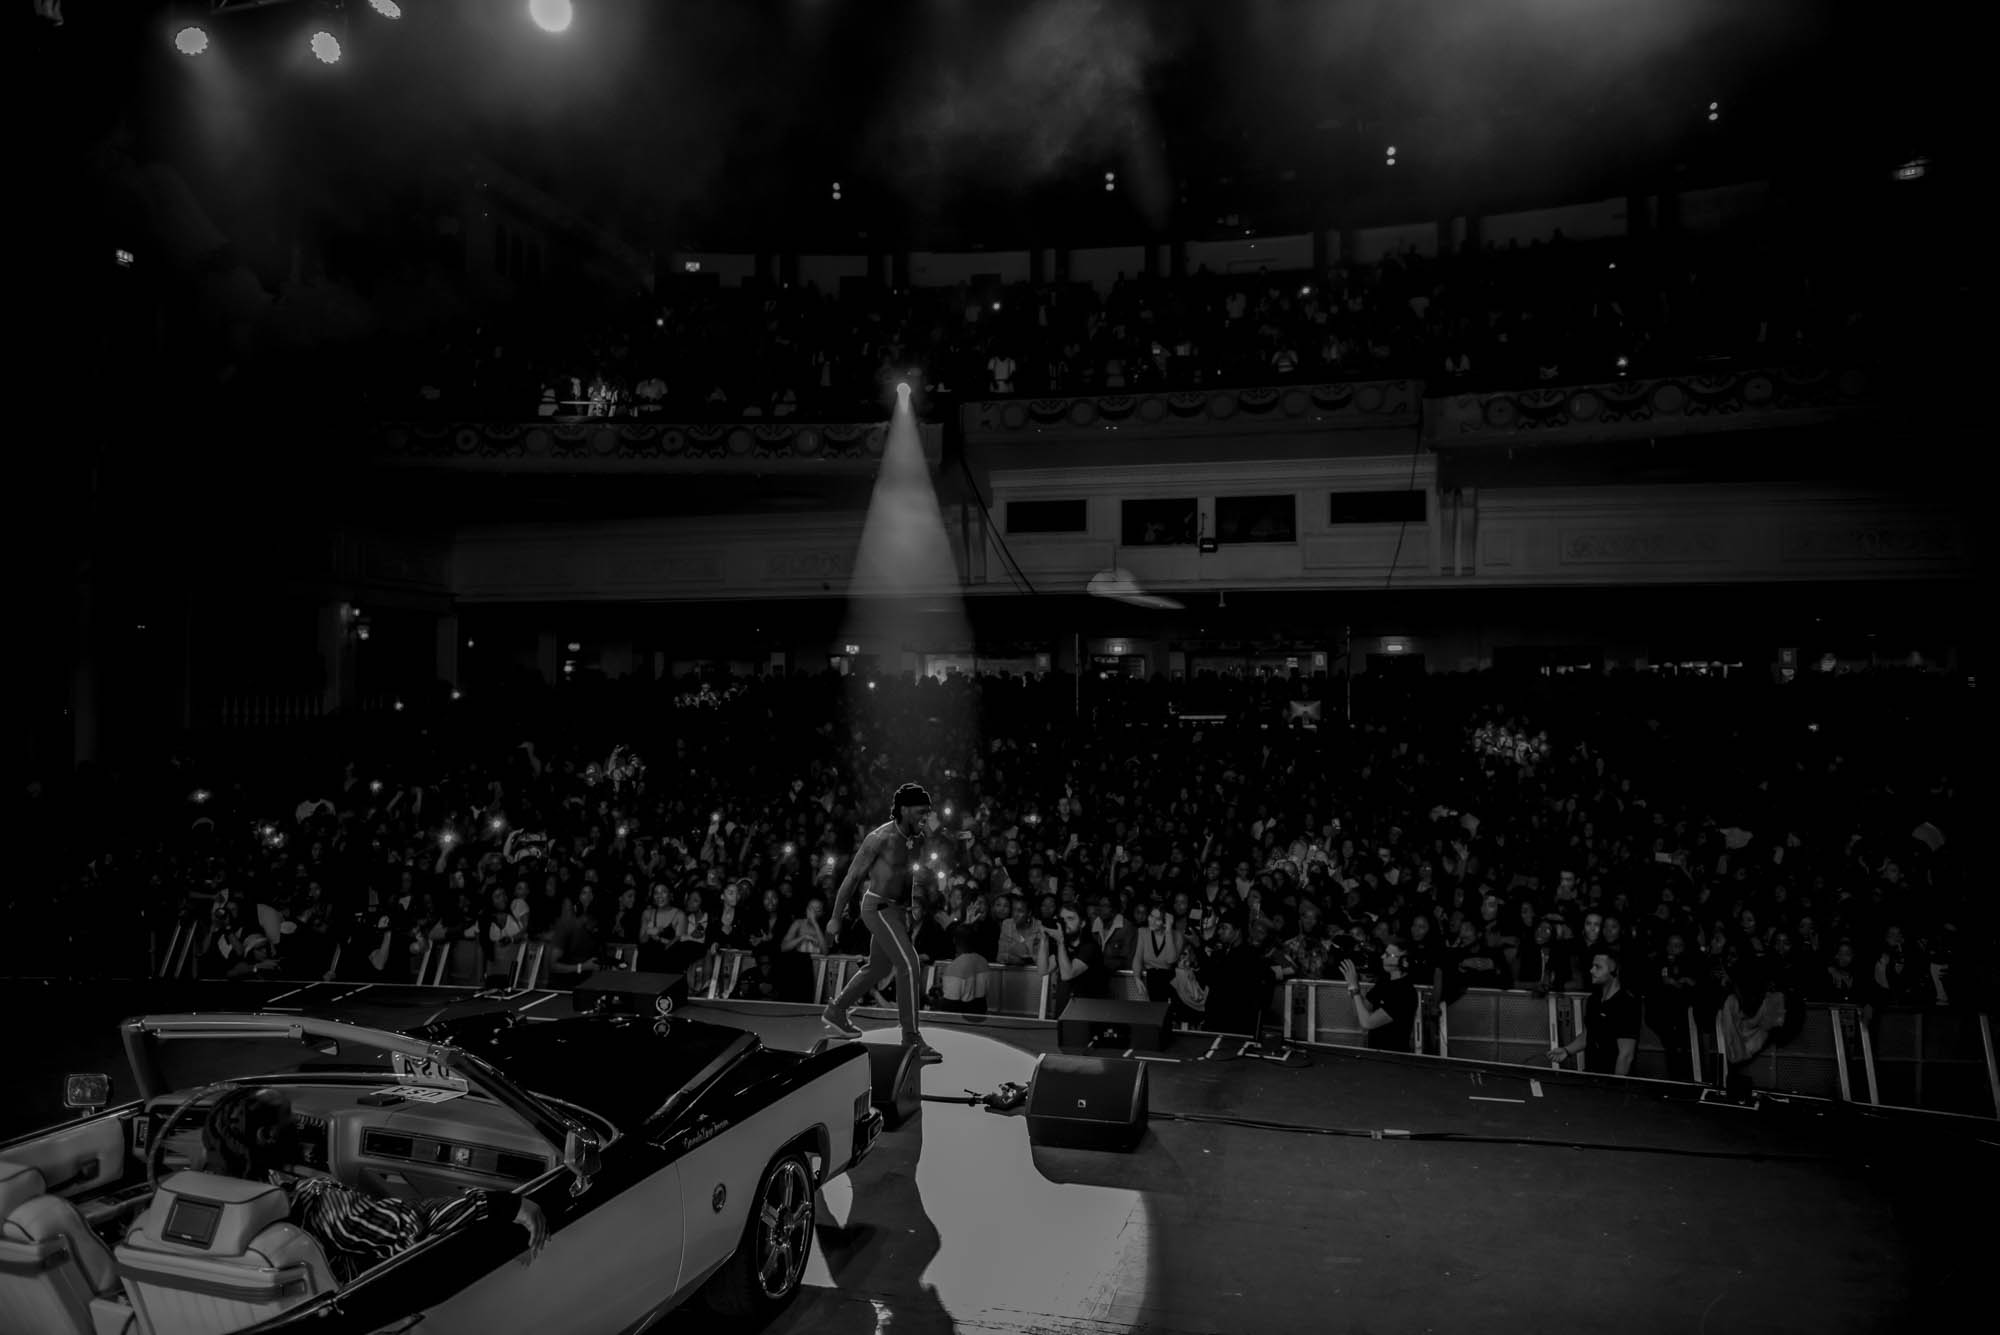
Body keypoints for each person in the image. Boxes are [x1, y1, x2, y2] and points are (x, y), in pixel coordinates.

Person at [201, 1087, 545, 1284]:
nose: (301, 1121)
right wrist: (503, 1205)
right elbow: (414, 1227)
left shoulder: (205, 1197)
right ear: (268, 1136)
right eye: (289, 1115)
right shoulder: (322, 1207)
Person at [822, 783, 943, 1064]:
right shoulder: (879, 838)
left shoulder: (916, 838)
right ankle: (911, 1038)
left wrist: (911, 908)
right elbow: (851, 878)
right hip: (877, 908)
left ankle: (837, 1010)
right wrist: (835, 917)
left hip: (896, 912)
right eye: (921, 811)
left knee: (878, 966)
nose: (926, 816)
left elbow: (908, 874)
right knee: (909, 964)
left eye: (928, 810)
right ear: (903, 809)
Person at [1547, 951, 1640, 1076]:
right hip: (1592, 1074)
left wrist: (1617, 1087)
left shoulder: (1626, 1003)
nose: (1591, 970)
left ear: (1614, 971)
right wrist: (1567, 1050)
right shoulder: (1594, 999)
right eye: (1592, 966)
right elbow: (1590, 1033)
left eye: (1598, 967)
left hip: (1613, 1081)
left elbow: (1626, 1055)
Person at [1339, 938, 1420, 1053]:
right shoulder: (1384, 982)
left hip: (1394, 1056)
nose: (1382, 957)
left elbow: (1367, 1023)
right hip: (1376, 1051)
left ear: (1404, 961)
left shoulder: (1405, 992)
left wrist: (1354, 989)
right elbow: (1364, 1008)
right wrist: (1353, 984)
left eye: (1388, 955)